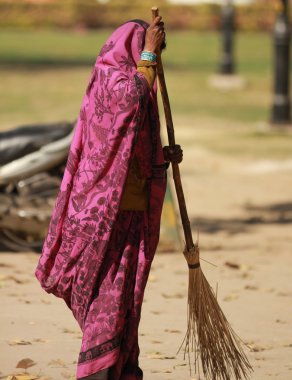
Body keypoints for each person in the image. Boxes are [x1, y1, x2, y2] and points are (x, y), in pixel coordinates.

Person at [34, 16, 182, 380]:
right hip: (101, 217)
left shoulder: (139, 78)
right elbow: (128, 102)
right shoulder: (111, 79)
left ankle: (120, 369)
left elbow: (132, 145)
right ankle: (96, 373)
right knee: (108, 300)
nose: (153, 59)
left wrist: (163, 156)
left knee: (125, 300)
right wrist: (149, 51)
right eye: (147, 50)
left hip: (130, 211)